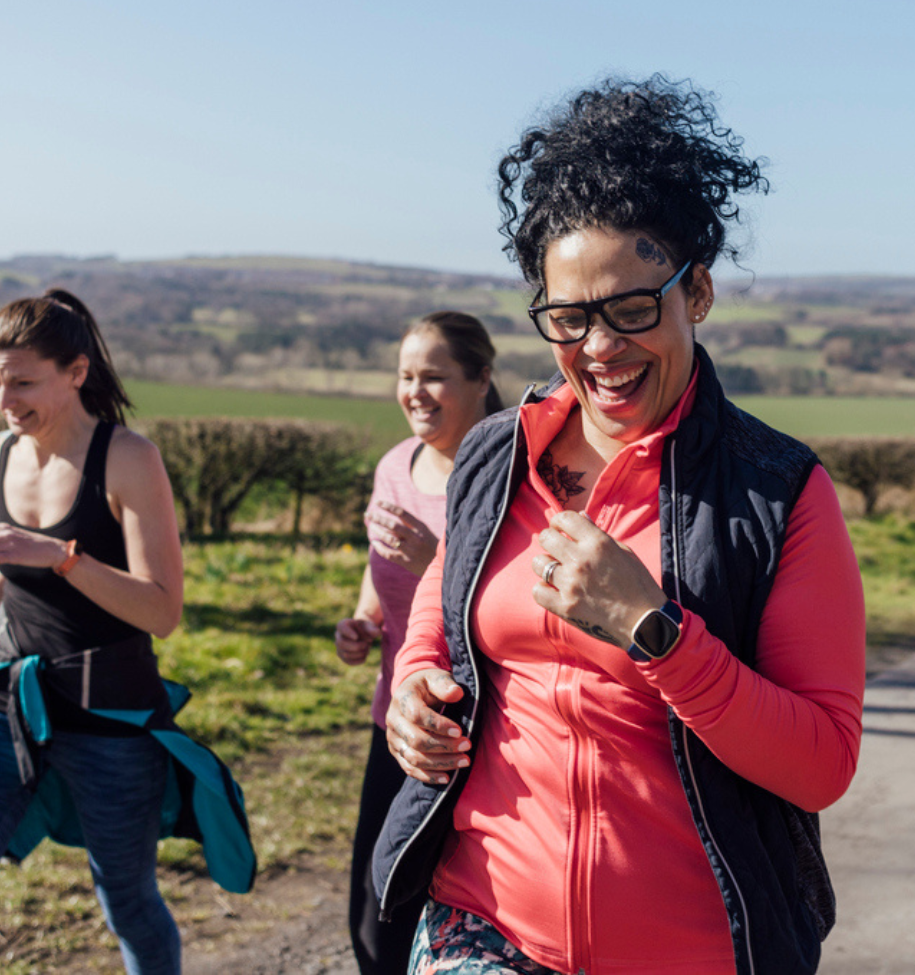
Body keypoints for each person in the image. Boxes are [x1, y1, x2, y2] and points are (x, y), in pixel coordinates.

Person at [370, 76, 866, 975]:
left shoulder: (778, 495)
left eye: (635, 309)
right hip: (482, 924)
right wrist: (411, 696)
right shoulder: (493, 456)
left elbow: (822, 763)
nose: (600, 347)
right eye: (570, 317)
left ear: (698, 292)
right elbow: (435, 628)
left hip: (694, 950)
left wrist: (656, 631)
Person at [0, 289, 251, 975]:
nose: (4, 401)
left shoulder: (127, 460)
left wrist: (61, 558)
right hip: (2, 694)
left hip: (110, 712)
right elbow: (18, 555)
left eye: (23, 382)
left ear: (77, 372)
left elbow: (160, 611)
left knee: (127, 900)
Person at [333, 311, 502, 975]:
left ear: (482, 379)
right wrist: (363, 622)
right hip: (399, 723)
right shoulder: (395, 466)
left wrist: (438, 555)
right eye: (406, 376)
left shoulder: (511, 473)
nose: (415, 392)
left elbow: (521, 600)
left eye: (434, 376)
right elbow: (381, 574)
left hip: (485, 735)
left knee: (464, 924)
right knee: (374, 922)